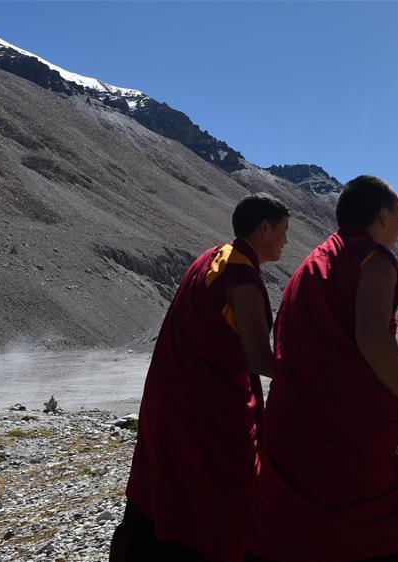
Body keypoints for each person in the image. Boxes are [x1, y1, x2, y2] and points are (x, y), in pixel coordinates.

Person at [246, 176, 398, 561]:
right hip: (352, 426)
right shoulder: (373, 260)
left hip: (293, 422)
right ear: (383, 215)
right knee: (383, 528)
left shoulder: (311, 264)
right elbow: (372, 339)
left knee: (299, 529)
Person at [110, 193, 290, 562]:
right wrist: (310, 372)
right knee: (227, 490)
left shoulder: (214, 258)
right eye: (283, 232)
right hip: (207, 410)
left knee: (171, 483)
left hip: (171, 396)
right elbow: (258, 359)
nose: (286, 241)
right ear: (264, 227)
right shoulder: (242, 278)